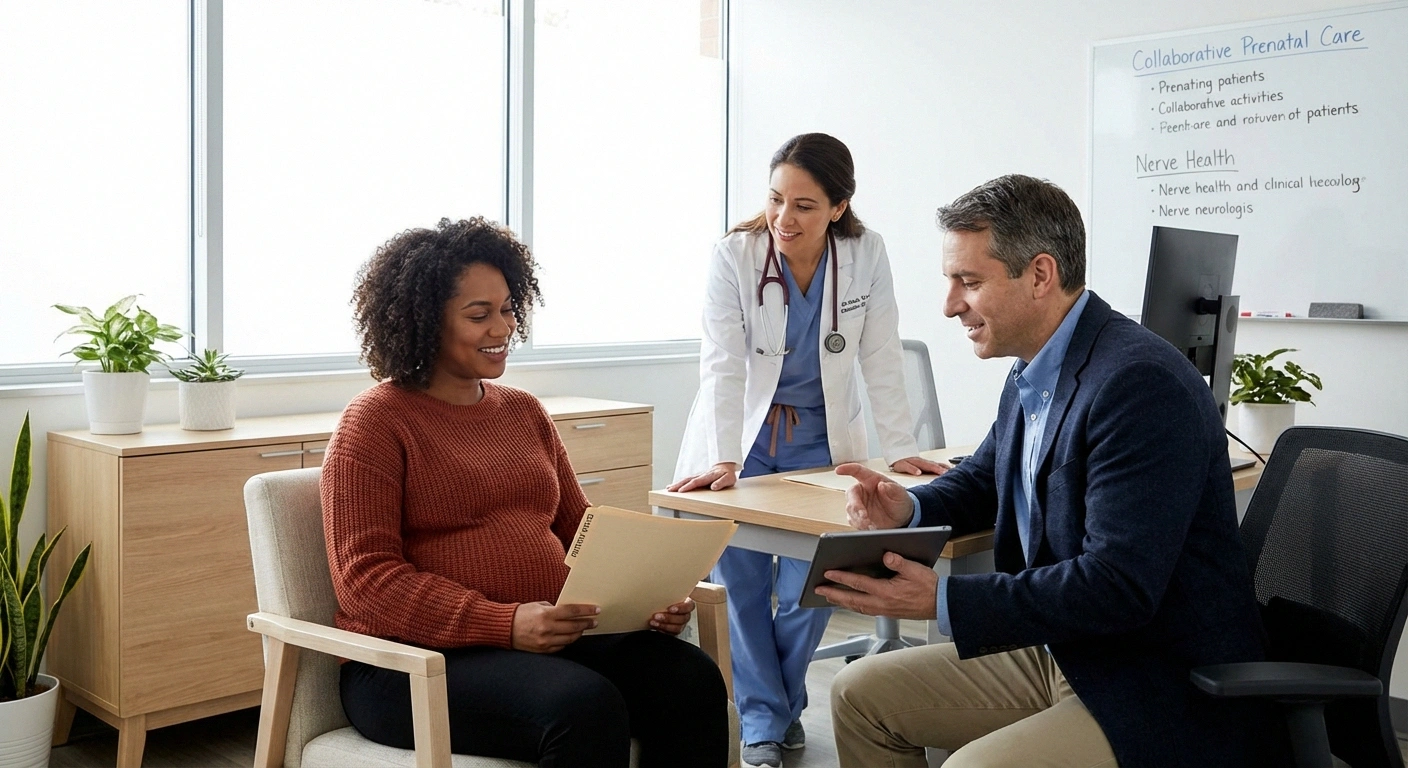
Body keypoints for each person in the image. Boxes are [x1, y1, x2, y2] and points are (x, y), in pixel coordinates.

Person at [818, 175, 1287, 767]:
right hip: (1066, 650)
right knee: (858, 695)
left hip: (1153, 675)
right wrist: (909, 507)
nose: (949, 304)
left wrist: (944, 599)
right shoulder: (1035, 368)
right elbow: (988, 477)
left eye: (969, 281)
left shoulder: (1138, 385)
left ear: (1039, 275)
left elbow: (1118, 587)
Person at [321, 217, 729, 768]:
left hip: (547, 642)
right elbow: (365, 583)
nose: (502, 327)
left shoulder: (523, 412)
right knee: (582, 706)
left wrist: (645, 597)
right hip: (412, 662)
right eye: (478, 315)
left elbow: (584, 532)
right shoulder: (374, 422)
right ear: (423, 321)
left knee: (689, 677)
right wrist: (504, 623)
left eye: (508, 309)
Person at [668, 133, 946, 768]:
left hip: (822, 443)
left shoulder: (865, 253)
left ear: (838, 208)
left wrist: (899, 448)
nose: (784, 220)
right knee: (738, 582)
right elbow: (722, 364)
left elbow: (881, 352)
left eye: (804, 206)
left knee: (816, 581)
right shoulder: (735, 255)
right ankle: (766, 721)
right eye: (775, 200)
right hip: (742, 439)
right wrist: (722, 456)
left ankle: (772, 708)